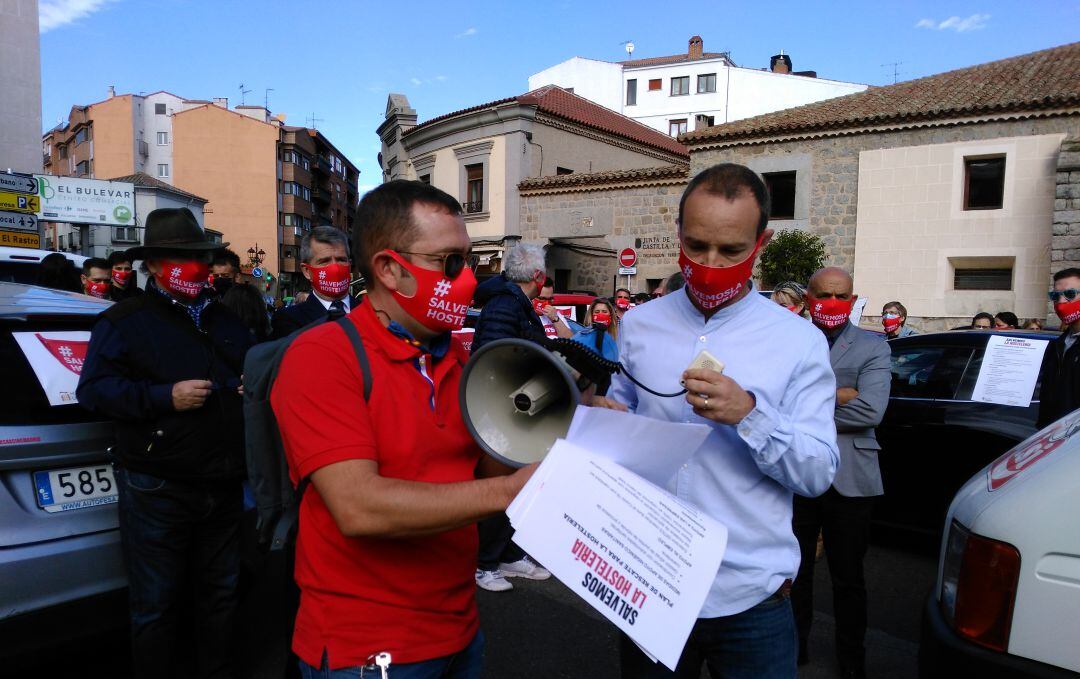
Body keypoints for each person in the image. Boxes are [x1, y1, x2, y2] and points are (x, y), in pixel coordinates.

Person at [270, 180, 535, 677]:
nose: (468, 279)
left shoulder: (461, 359)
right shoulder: (322, 357)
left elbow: (487, 464)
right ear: (389, 269)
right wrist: (509, 490)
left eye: (469, 261)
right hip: (367, 648)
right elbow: (359, 507)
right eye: (448, 263)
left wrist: (547, 415)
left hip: (458, 630)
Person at [596, 163, 839, 678]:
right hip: (650, 579)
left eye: (731, 251)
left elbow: (818, 473)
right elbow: (626, 421)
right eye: (696, 246)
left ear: (761, 242)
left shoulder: (798, 341)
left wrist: (751, 415)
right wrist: (605, 423)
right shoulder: (639, 325)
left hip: (750, 592)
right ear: (678, 234)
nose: (709, 264)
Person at [76, 207, 252, 679]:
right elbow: (94, 391)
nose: (194, 267)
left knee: (220, 595)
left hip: (223, 483)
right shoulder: (125, 321)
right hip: (158, 488)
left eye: (199, 256)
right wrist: (163, 398)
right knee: (156, 604)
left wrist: (245, 388)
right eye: (179, 257)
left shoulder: (226, 319)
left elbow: (250, 375)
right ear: (152, 265)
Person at [792, 267, 892, 679]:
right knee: (794, 572)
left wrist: (806, 403)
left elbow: (872, 410)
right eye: (823, 294)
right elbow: (771, 402)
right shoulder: (790, 340)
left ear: (852, 300)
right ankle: (793, 650)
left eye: (841, 295)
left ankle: (852, 661)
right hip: (797, 470)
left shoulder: (873, 346)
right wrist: (840, 394)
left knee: (848, 578)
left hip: (852, 478)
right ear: (808, 297)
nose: (832, 303)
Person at [470, 243, 556, 592]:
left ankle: (506, 553)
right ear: (538, 276)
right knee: (500, 490)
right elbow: (494, 359)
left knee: (520, 490)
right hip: (504, 415)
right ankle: (483, 564)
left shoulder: (512, 303)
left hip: (518, 410)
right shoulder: (506, 305)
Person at [269, 226, 357, 340]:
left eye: (341, 260)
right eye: (324, 261)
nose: (335, 268)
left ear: (349, 265)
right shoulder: (289, 319)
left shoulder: (372, 313)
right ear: (306, 271)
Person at [1037, 268, 1080, 428]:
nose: (1061, 302)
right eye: (1055, 296)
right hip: (1051, 436)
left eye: (1070, 294)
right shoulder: (1058, 345)